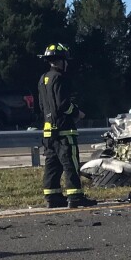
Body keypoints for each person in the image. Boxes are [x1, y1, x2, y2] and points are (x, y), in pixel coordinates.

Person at [37, 44, 96, 208]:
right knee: (71, 164)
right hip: (64, 131)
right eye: (66, 61)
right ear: (60, 61)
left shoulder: (43, 79)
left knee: (52, 165)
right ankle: (75, 196)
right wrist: (77, 113)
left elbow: (42, 106)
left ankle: (52, 197)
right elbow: (63, 105)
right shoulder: (60, 78)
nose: (67, 64)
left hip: (48, 132)